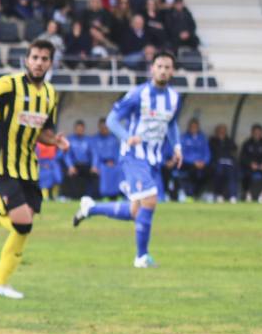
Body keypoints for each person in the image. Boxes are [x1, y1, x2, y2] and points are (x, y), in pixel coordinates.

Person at [0, 39, 67, 299]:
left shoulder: (51, 94)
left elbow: (41, 131)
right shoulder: (9, 85)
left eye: (44, 59)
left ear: (51, 63)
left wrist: (55, 141)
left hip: (29, 169)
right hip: (3, 165)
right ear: (26, 60)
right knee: (22, 222)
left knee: (24, 228)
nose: (39, 63)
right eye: (35, 57)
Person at [72, 52, 182, 268]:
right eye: (159, 66)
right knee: (150, 199)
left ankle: (90, 208)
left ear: (173, 71)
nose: (163, 70)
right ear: (152, 68)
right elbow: (112, 119)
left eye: (168, 67)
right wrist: (127, 137)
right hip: (134, 156)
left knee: (136, 211)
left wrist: (177, 147)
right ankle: (141, 257)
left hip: (154, 159)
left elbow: (172, 124)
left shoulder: (174, 98)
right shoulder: (137, 94)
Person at [60, 120, 96, 199]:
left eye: (81, 129)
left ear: (84, 129)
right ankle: (67, 196)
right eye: (78, 129)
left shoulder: (89, 140)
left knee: (95, 174)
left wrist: (94, 166)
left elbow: (94, 154)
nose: (80, 131)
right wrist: (70, 166)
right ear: (75, 129)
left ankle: (91, 197)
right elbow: (66, 154)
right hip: (75, 165)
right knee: (68, 174)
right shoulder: (69, 139)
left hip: (86, 165)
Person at [176, 118, 210, 201]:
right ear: (189, 127)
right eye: (192, 127)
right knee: (191, 172)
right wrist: (193, 162)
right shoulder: (183, 138)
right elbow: (181, 153)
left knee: (211, 171)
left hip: (201, 164)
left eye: (195, 127)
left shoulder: (202, 138)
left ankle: (201, 194)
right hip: (188, 163)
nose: (193, 128)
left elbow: (207, 152)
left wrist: (204, 162)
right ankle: (189, 193)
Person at [240, 124, 262, 202]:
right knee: (244, 174)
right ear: (252, 132)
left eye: (259, 132)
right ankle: (248, 194)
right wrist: (250, 164)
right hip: (250, 168)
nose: (257, 134)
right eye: (255, 132)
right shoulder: (247, 143)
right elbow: (242, 157)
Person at [209, 124, 239, 202]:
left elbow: (234, 151)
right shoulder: (212, 141)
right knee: (219, 171)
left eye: (223, 131)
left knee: (232, 173)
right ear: (216, 132)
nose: (221, 133)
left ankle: (233, 196)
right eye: (220, 131)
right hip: (217, 163)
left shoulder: (229, 141)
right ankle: (219, 194)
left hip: (229, 163)